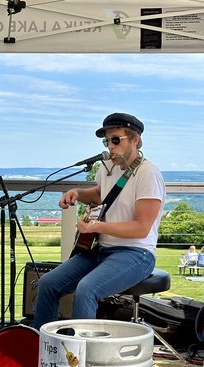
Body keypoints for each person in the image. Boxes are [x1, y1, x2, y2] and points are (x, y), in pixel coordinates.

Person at [32, 112, 165, 330]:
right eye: (107, 141)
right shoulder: (106, 168)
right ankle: (42, 348)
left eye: (116, 139)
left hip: (136, 254)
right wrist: (77, 193)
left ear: (136, 140)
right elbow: (101, 194)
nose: (110, 146)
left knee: (87, 289)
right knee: (48, 283)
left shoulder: (148, 174)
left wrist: (97, 226)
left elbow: (142, 228)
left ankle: (80, 357)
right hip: (103, 250)